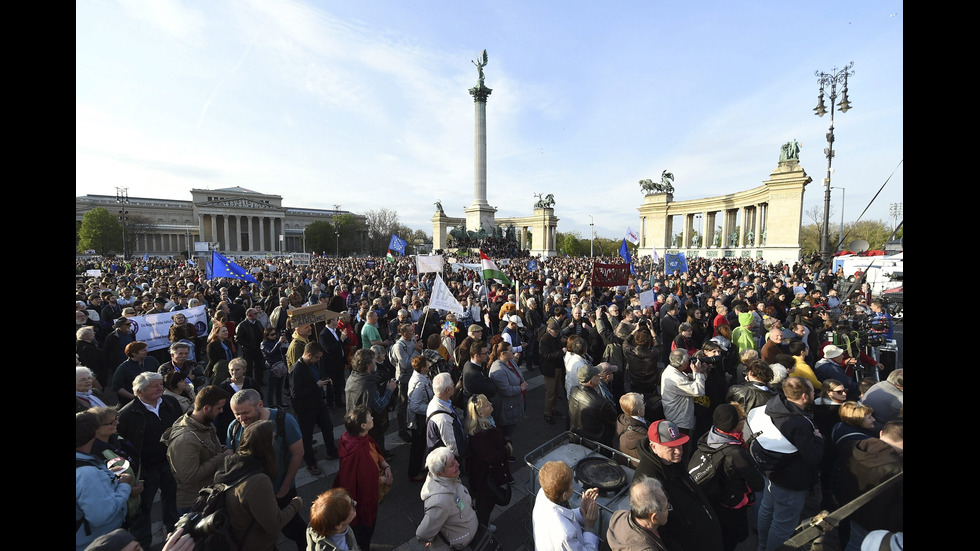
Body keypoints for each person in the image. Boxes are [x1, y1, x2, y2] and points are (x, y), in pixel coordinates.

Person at [226, 388, 309, 551]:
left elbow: (298, 453)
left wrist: (285, 488)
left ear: (260, 405)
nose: (240, 418)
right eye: (236, 414)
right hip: (252, 496)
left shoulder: (284, 421)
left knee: (294, 529)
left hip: (280, 491)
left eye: (245, 412)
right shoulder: (234, 427)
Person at [755, 377, 824, 551]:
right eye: (812, 391)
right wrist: (818, 439)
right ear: (804, 397)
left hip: (770, 471)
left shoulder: (774, 405)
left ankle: (762, 546)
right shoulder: (799, 423)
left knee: (767, 509)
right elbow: (813, 457)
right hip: (790, 480)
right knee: (783, 524)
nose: (815, 392)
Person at [633, 419, 724, 551]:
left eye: (679, 445)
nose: (678, 451)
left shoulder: (671, 461)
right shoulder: (647, 483)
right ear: (654, 447)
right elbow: (660, 531)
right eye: (671, 447)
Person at [213, 419, 303, 551]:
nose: (275, 442)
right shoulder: (258, 482)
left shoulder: (232, 464)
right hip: (258, 545)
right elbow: (275, 524)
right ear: (266, 446)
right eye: (272, 438)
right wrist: (296, 504)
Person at [116, 372, 182, 549]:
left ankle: (175, 540)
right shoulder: (127, 414)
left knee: (173, 504)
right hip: (145, 469)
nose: (160, 388)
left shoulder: (171, 403)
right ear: (139, 392)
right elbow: (122, 447)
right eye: (154, 386)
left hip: (170, 464)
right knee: (142, 511)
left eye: (160, 384)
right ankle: (141, 545)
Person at [689, 403, 764, 551]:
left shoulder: (709, 436)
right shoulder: (735, 453)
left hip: (714, 500)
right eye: (742, 419)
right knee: (730, 540)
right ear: (734, 424)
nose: (744, 421)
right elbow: (758, 484)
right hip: (732, 505)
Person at [833, 419, 903, 551]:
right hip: (880, 523)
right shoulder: (898, 469)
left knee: (853, 543)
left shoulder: (853, 445)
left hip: (852, 510)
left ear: (881, 433)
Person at [162, 385, 233, 513]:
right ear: (206, 408)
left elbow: (209, 448)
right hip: (194, 504)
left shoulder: (203, 424)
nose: (222, 411)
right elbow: (189, 477)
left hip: (208, 495)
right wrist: (222, 457)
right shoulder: (185, 440)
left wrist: (222, 449)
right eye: (219, 408)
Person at [332, 405, 392, 550]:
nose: (372, 417)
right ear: (363, 425)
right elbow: (366, 481)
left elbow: (374, 450)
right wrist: (384, 480)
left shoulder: (354, 437)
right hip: (364, 499)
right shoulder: (357, 451)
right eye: (369, 416)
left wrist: (385, 465)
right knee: (364, 533)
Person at [76, 411, 135, 551]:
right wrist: (124, 486)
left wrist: (107, 475)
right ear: (94, 433)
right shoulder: (87, 474)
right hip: (99, 543)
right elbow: (102, 516)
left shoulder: (85, 467)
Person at [290, 341, 340, 476]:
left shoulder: (313, 364)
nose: (319, 360)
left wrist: (325, 380)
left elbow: (318, 377)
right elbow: (295, 394)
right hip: (305, 408)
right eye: (317, 357)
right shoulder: (297, 370)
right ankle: (311, 463)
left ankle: (332, 451)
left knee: (328, 427)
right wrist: (316, 386)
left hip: (318, 403)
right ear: (308, 355)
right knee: (306, 436)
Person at [87, 406, 143, 524]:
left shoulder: (118, 439)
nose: (117, 422)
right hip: (118, 512)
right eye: (111, 422)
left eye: (116, 419)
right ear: (96, 428)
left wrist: (141, 480)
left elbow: (135, 458)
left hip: (134, 503)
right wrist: (128, 490)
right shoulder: (93, 452)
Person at [416, 447, 480, 550]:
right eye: (452, 464)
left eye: (454, 459)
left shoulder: (448, 477)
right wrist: (430, 538)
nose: (457, 464)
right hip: (459, 545)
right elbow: (423, 534)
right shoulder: (439, 502)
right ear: (438, 473)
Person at [466, 393, 513, 528]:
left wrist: (506, 441)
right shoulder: (478, 434)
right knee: (485, 504)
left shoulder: (489, 421)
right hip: (485, 477)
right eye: (487, 404)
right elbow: (491, 457)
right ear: (480, 412)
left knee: (487, 502)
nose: (491, 404)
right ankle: (482, 526)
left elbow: (501, 434)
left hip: (490, 474)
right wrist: (507, 449)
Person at [532, 460, 601, 551]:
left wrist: (581, 510)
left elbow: (561, 514)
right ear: (564, 495)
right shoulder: (566, 534)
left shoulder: (544, 492)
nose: (573, 486)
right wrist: (589, 527)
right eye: (571, 484)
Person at [346, 348, 397, 459]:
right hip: (368, 425)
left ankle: (381, 452)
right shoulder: (368, 384)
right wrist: (389, 390)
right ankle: (379, 459)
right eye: (374, 361)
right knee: (373, 446)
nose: (375, 363)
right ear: (369, 365)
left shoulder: (353, 376)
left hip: (357, 421)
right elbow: (379, 406)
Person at [605, 477, 670, 551]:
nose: (669, 509)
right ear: (654, 518)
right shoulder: (647, 549)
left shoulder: (618, 516)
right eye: (666, 507)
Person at [660, 349, 707, 443]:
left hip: (677, 416)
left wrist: (700, 372)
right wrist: (697, 373)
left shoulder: (672, 370)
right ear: (682, 363)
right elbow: (699, 391)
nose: (690, 361)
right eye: (688, 360)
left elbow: (688, 380)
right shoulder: (676, 378)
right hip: (680, 420)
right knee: (682, 446)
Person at [569, 364, 619, 446]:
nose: (599, 376)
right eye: (596, 375)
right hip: (596, 443)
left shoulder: (573, 390)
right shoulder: (601, 402)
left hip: (578, 437)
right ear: (590, 382)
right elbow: (614, 418)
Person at [488, 340, 528, 439]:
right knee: (506, 434)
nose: (513, 352)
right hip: (507, 408)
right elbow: (506, 390)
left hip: (514, 403)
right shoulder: (498, 370)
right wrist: (521, 388)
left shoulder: (509, 362)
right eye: (510, 351)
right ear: (503, 354)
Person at [425, 372, 468, 461]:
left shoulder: (437, 402)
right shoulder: (443, 419)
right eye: (453, 385)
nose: (454, 386)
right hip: (448, 461)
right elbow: (454, 448)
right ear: (448, 390)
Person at [391, 322, 422, 442]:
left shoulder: (412, 340)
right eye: (410, 332)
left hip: (413, 376)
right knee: (402, 405)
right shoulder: (399, 346)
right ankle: (402, 430)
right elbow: (406, 364)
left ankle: (412, 423)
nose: (413, 333)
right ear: (404, 334)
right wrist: (415, 351)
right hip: (403, 379)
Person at [407, 355, 434, 481]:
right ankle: (413, 472)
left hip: (420, 418)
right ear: (423, 368)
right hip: (419, 420)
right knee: (417, 446)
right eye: (427, 365)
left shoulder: (420, 378)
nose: (429, 366)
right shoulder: (420, 383)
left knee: (420, 445)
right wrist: (430, 408)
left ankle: (417, 467)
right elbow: (414, 406)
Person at [111, 341, 160, 407]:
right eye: (143, 350)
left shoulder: (151, 360)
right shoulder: (124, 367)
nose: (146, 351)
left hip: (155, 397)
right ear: (134, 353)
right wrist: (134, 397)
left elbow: (160, 374)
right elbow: (116, 387)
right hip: (136, 402)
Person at [320, 314, 351, 409]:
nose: (338, 321)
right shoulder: (323, 334)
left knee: (339, 383)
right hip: (331, 364)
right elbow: (329, 349)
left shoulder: (337, 330)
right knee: (331, 386)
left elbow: (346, 342)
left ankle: (338, 401)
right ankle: (330, 404)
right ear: (331, 321)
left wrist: (345, 337)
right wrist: (341, 340)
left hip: (340, 362)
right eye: (336, 320)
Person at [538, 319, 567, 424]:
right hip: (550, 369)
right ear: (550, 330)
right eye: (556, 331)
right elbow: (546, 355)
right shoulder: (545, 340)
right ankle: (547, 413)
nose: (558, 333)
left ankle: (552, 409)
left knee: (556, 391)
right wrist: (561, 352)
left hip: (558, 368)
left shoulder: (556, 337)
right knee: (550, 392)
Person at [235, 307, 266, 385]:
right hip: (248, 350)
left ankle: (259, 381)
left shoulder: (258, 323)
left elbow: (262, 332)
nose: (257, 315)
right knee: (248, 368)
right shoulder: (242, 325)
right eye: (255, 314)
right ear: (249, 315)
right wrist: (248, 345)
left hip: (259, 349)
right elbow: (238, 338)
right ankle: (248, 383)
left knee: (259, 366)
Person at [616, 392, 650, 461]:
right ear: (639, 412)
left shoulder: (621, 420)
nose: (644, 406)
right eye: (643, 404)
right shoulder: (641, 433)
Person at [261, 325, 288, 408]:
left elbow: (282, 351)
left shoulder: (275, 341)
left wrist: (285, 344)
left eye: (275, 334)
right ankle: (270, 404)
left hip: (280, 366)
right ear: (267, 335)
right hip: (272, 367)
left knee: (279, 387)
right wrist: (279, 343)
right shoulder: (264, 344)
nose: (274, 336)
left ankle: (280, 402)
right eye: (272, 334)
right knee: (271, 388)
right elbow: (270, 353)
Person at [77, 326, 109, 391]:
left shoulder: (79, 345)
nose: (94, 334)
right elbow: (93, 365)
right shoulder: (88, 349)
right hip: (95, 377)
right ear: (89, 337)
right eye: (93, 333)